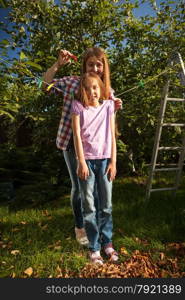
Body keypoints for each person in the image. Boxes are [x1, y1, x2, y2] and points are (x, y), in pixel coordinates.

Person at [43, 47, 122, 246]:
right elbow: (44, 86)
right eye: (90, 64)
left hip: (97, 150)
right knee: (79, 188)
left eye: (98, 64)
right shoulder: (72, 83)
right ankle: (80, 226)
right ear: (84, 65)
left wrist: (117, 106)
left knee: (95, 192)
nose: (94, 68)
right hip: (72, 143)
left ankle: (95, 227)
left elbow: (109, 121)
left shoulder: (106, 90)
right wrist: (58, 65)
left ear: (104, 67)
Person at [71, 72, 118, 264]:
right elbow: (76, 136)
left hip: (105, 161)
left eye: (96, 87)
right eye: (88, 88)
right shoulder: (78, 107)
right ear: (82, 90)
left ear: (101, 88)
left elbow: (112, 136)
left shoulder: (108, 106)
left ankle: (107, 243)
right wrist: (81, 161)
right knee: (89, 205)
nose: (92, 91)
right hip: (87, 162)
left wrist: (113, 161)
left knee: (106, 205)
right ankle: (94, 247)